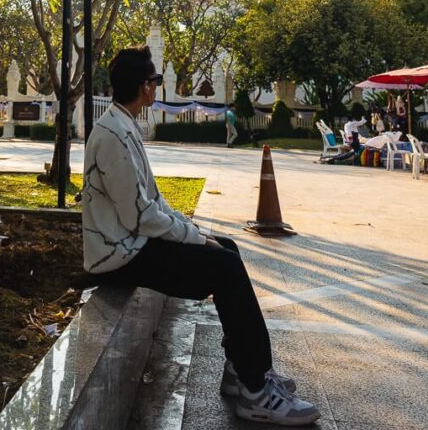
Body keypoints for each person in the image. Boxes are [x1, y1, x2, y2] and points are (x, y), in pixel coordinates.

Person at [81, 46, 320, 426]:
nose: (156, 88)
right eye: (155, 81)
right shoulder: (114, 135)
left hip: (131, 241)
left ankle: (243, 369)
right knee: (223, 265)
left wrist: (193, 233)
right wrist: (193, 239)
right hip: (119, 255)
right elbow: (141, 217)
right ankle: (256, 391)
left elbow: (152, 203)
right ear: (146, 87)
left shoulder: (122, 125)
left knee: (227, 248)